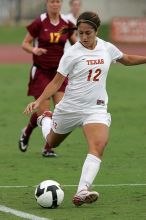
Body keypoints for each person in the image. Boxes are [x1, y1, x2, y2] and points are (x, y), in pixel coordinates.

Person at [24, 11, 146, 206]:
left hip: (95, 108)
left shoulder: (106, 48)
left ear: (96, 31)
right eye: (80, 33)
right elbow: (56, 83)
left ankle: (82, 190)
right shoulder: (72, 53)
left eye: (88, 33)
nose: (84, 37)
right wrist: (39, 102)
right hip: (70, 108)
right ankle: (45, 119)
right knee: (52, 142)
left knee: (98, 145)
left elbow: (127, 59)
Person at [19, 0, 76, 157]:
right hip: (41, 72)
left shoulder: (67, 24)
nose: (55, 4)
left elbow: (76, 45)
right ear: (47, 4)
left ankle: (47, 147)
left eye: (58, 1)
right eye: (52, 1)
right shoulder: (40, 22)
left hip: (59, 73)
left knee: (59, 111)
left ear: (61, 4)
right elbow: (25, 44)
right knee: (43, 112)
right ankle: (27, 131)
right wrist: (34, 49)